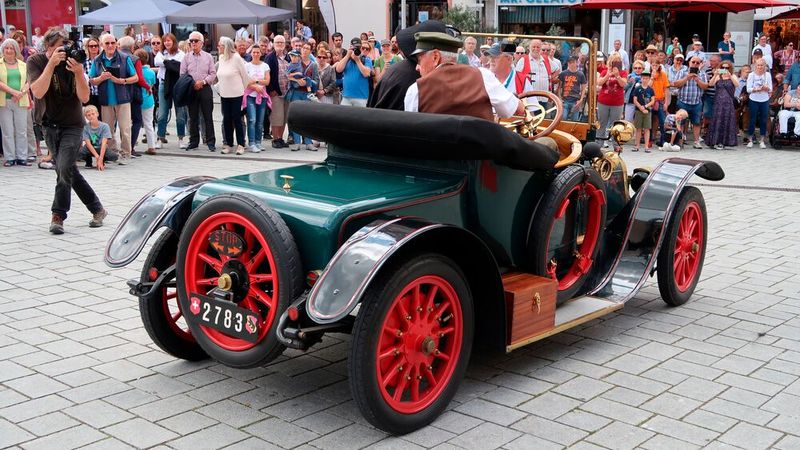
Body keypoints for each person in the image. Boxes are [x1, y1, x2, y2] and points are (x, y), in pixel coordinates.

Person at [29, 27, 107, 234]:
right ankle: (97, 209)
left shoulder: (74, 62)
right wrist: (51, 65)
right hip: (49, 124)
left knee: (63, 168)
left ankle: (58, 215)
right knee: (68, 169)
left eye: (65, 47)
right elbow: (37, 91)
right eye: (57, 48)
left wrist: (80, 73)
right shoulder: (36, 61)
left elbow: (84, 98)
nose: (62, 52)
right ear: (48, 47)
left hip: (73, 124)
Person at [404, 32, 526, 120]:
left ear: (435, 57)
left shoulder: (415, 90)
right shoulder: (483, 76)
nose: (417, 67)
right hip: (480, 154)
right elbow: (510, 110)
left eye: (419, 60)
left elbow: (413, 134)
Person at [88, 33, 138, 164]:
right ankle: (112, 153)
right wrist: (100, 78)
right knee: (108, 129)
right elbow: (92, 80)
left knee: (125, 128)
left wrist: (122, 80)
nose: (110, 46)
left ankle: (126, 154)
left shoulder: (124, 58)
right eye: (107, 43)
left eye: (112, 43)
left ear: (116, 44)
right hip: (106, 99)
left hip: (123, 98)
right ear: (102, 45)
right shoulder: (97, 60)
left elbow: (135, 77)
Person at [181, 31, 216, 151]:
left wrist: (203, 82)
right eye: (191, 41)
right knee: (193, 117)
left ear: (202, 43)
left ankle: (210, 141)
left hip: (205, 88)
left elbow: (213, 73)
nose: (193, 43)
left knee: (207, 116)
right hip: (191, 89)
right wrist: (192, 84)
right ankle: (193, 141)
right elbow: (183, 74)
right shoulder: (186, 57)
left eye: (196, 41)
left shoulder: (208, 56)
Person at [117, 35, 151, 158]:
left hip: (120, 92)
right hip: (134, 93)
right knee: (136, 120)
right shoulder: (135, 59)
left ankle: (123, 146)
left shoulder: (117, 57)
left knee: (122, 121)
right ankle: (130, 147)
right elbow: (140, 79)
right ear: (132, 47)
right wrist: (148, 87)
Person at [215, 36, 249, 155]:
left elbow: (245, 76)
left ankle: (241, 144)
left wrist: (243, 91)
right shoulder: (221, 58)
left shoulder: (237, 58)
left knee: (237, 119)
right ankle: (229, 144)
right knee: (226, 119)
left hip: (236, 94)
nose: (218, 47)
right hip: (224, 94)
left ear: (226, 47)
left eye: (220, 45)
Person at [154, 33, 187, 149]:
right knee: (162, 113)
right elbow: (157, 62)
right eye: (165, 41)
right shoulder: (161, 53)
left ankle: (181, 138)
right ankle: (160, 138)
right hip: (164, 84)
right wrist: (171, 63)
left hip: (178, 85)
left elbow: (181, 66)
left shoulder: (181, 54)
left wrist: (167, 62)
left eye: (169, 40)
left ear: (173, 41)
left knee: (180, 114)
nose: (167, 43)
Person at [0, 38, 29, 166]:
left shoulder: (23, 64)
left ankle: (22, 156)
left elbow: (30, 80)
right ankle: (10, 157)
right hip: (4, 101)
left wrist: (21, 93)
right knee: (7, 130)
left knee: (21, 130)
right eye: (7, 48)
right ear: (3, 50)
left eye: (12, 48)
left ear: (16, 50)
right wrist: (13, 92)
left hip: (21, 100)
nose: (9, 50)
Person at [705, 61, 739, 149]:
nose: (724, 69)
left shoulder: (733, 76)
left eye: (727, 68)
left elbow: (737, 84)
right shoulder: (718, 76)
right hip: (718, 102)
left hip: (728, 102)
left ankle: (724, 142)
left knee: (726, 120)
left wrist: (730, 76)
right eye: (723, 67)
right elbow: (710, 84)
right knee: (717, 121)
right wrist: (716, 74)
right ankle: (714, 141)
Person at [596, 53, 627, 148]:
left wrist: (617, 75)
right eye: (613, 61)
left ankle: (616, 145)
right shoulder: (604, 71)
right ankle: (599, 144)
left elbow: (623, 84)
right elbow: (599, 82)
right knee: (602, 123)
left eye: (617, 62)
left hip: (617, 102)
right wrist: (607, 75)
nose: (615, 64)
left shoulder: (623, 72)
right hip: (603, 101)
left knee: (616, 124)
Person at [244, 44, 270, 153]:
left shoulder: (265, 66)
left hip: (262, 95)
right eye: (253, 52)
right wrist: (255, 86)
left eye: (257, 52)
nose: (255, 54)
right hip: (250, 96)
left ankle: (258, 142)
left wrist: (255, 81)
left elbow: (267, 81)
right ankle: (251, 142)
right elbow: (245, 81)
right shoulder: (247, 66)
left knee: (260, 121)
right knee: (252, 119)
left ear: (261, 53)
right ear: (251, 53)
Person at [265, 35, 290, 148]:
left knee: (284, 117)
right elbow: (266, 74)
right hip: (276, 92)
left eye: (281, 42)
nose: (280, 44)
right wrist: (271, 90)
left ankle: (280, 138)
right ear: (274, 44)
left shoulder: (288, 57)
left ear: (285, 44)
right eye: (277, 42)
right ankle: (275, 139)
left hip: (287, 92)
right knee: (276, 117)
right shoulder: (270, 57)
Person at [516, 39, 555, 108]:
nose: (536, 49)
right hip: (529, 98)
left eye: (538, 47)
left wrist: (550, 78)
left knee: (544, 117)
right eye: (533, 47)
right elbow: (517, 77)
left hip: (544, 97)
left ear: (540, 48)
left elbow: (557, 70)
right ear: (529, 48)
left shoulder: (546, 59)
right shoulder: (523, 60)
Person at [334, 37, 372, 107]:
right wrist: (348, 55)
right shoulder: (347, 59)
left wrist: (357, 60)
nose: (356, 49)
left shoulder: (366, 59)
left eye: (358, 47)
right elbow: (338, 69)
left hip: (361, 97)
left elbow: (366, 74)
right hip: (346, 97)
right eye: (354, 47)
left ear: (361, 48)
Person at [135, 48, 157, 155]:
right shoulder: (151, 72)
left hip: (137, 100)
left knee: (135, 123)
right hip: (148, 100)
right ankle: (151, 146)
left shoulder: (135, 72)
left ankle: (133, 143)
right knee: (149, 123)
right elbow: (152, 84)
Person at [746, 59, 773, 149]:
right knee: (752, 119)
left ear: (764, 66)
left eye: (762, 65)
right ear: (755, 66)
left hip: (764, 99)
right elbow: (748, 89)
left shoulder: (768, 75)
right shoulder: (751, 75)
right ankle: (750, 139)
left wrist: (766, 88)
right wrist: (757, 89)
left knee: (764, 120)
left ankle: (762, 140)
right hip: (753, 99)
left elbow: (771, 88)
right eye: (758, 65)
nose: (760, 67)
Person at [648, 49, 670, 145]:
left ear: (659, 66)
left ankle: (663, 140)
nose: (654, 67)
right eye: (653, 65)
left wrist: (666, 103)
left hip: (660, 100)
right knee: (649, 121)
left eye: (656, 65)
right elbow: (647, 87)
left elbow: (666, 89)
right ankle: (648, 140)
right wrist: (652, 77)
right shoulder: (648, 74)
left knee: (662, 121)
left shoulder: (663, 75)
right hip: (651, 101)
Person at [632, 70, 655, 152]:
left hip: (647, 111)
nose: (645, 80)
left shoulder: (650, 90)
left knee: (647, 129)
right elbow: (635, 100)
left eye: (646, 78)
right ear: (641, 79)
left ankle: (646, 146)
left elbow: (652, 101)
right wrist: (640, 107)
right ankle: (637, 145)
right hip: (638, 111)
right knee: (638, 128)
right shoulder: (637, 89)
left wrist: (645, 106)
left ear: (649, 79)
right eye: (643, 78)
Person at [558, 56, 586, 121]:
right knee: (563, 118)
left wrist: (581, 100)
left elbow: (583, 88)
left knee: (574, 120)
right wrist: (559, 98)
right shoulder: (563, 73)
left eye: (573, 62)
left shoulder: (580, 74)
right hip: (565, 100)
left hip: (575, 100)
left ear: (577, 63)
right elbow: (559, 87)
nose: (571, 64)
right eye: (570, 63)